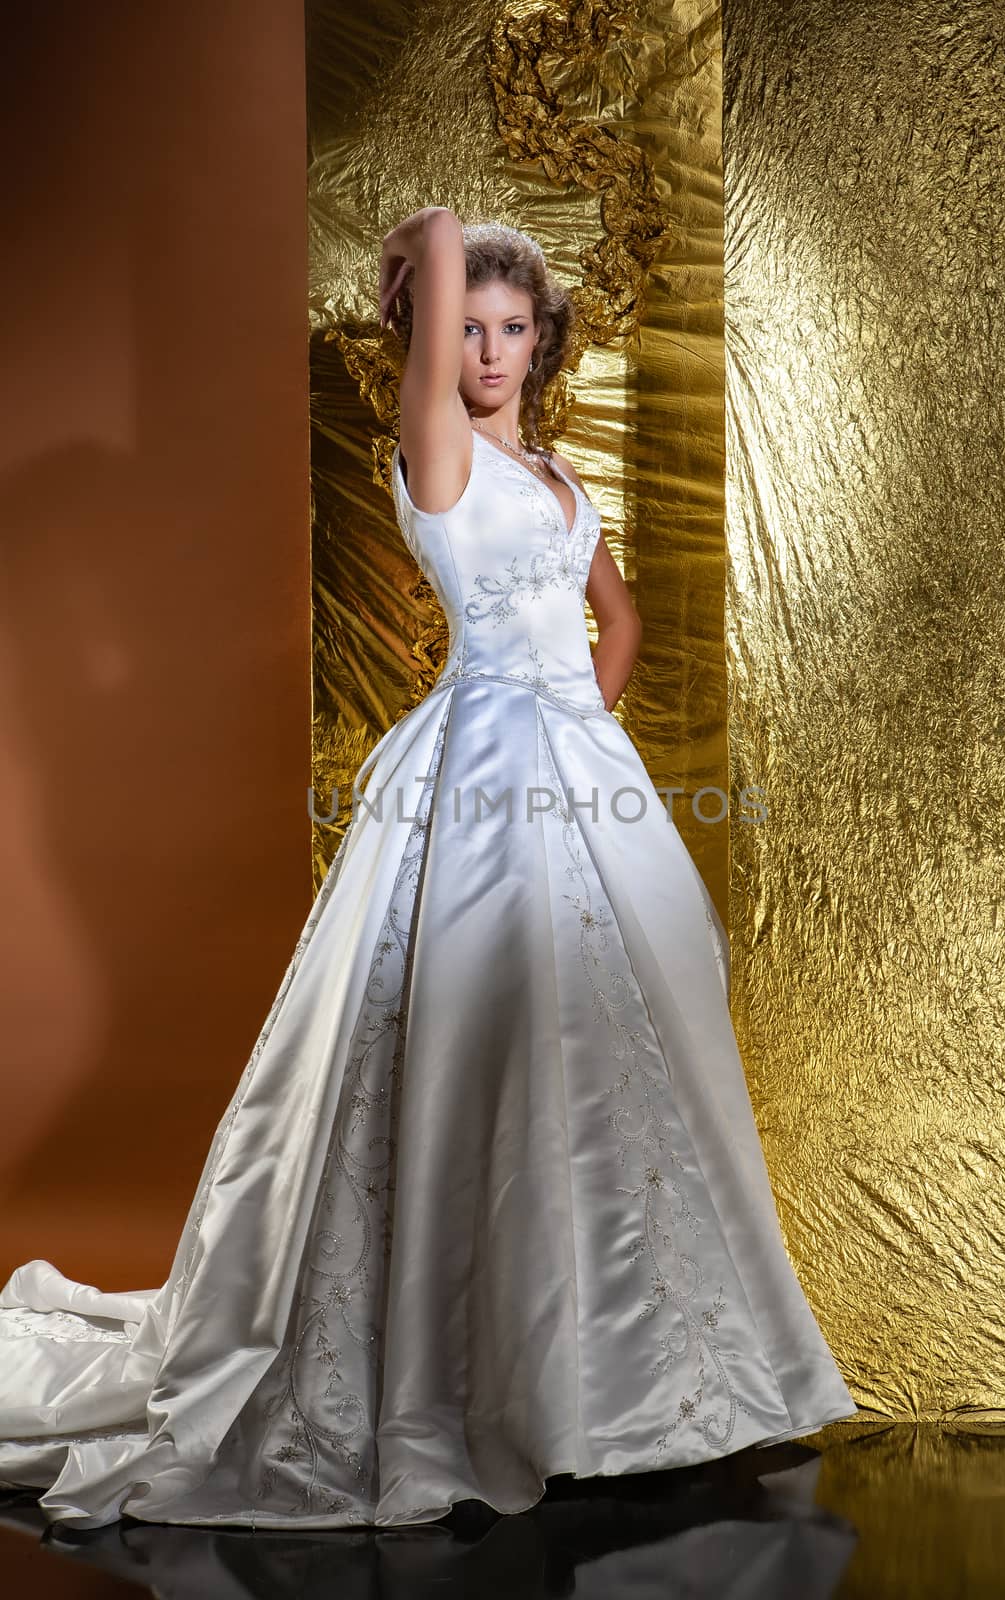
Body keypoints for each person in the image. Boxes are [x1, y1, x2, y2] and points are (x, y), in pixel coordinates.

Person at [0, 208, 857, 1531]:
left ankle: (633, 1377)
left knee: (623, 1052)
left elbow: (614, 620)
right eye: (467, 327)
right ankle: (484, 1376)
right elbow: (443, 251)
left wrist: (579, 722)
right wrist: (425, 251)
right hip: (474, 778)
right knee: (488, 1051)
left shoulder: (564, 477)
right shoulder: (436, 451)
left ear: (545, 340)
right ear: (428, 339)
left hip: (576, 776)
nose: (492, 348)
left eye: (515, 329)